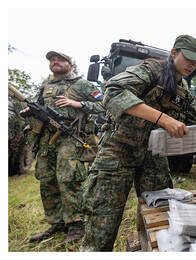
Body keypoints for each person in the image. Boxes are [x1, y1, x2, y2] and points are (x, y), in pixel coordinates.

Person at [80, 35, 196, 251]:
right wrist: (163, 119)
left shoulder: (182, 89)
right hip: (119, 151)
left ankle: (144, 246)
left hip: (153, 155)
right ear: (174, 53)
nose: (192, 65)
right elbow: (113, 91)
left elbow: (192, 122)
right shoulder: (151, 70)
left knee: (159, 213)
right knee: (103, 220)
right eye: (188, 58)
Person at [22, 51, 104, 244]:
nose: (55, 61)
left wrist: (78, 103)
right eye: (52, 60)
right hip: (46, 139)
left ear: (71, 64)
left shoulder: (82, 84)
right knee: (47, 180)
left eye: (60, 59)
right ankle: (57, 222)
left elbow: (105, 103)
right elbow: (38, 108)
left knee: (68, 180)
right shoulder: (44, 87)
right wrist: (30, 112)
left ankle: (76, 225)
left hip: (69, 138)